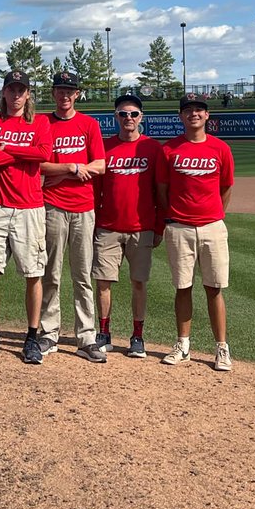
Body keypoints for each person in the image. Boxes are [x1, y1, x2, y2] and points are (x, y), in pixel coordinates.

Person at [0, 70, 53, 365]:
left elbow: (44, 153)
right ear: (3, 93)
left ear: (28, 94)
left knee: (34, 273)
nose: (16, 95)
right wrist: (23, 152)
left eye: (21, 90)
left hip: (30, 206)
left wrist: (11, 149)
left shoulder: (40, 121)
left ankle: (32, 337)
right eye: (11, 90)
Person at [157, 93, 235, 372]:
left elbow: (226, 187)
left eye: (199, 109)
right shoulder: (169, 149)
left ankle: (221, 348)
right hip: (179, 227)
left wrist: (213, 215)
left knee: (214, 289)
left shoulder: (220, 149)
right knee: (182, 287)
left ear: (207, 115)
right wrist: (174, 218)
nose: (194, 114)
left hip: (212, 226)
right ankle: (183, 344)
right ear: (181, 116)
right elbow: (163, 190)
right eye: (188, 109)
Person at [37, 71, 106, 362]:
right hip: (52, 205)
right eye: (60, 90)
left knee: (82, 275)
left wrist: (64, 168)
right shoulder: (43, 123)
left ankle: (86, 336)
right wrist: (75, 169)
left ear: (77, 94)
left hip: (83, 209)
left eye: (70, 91)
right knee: (50, 272)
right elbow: (39, 165)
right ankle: (49, 333)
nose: (65, 95)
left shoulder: (88, 124)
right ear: (53, 93)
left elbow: (100, 165)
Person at [93, 93, 164, 359]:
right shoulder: (104, 147)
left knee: (138, 282)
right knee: (103, 282)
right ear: (116, 117)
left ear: (141, 117)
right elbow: (95, 190)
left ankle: (137, 336)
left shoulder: (153, 148)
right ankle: (104, 332)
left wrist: (158, 227)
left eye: (133, 114)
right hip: (108, 226)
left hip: (141, 227)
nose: (128, 119)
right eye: (123, 114)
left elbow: (160, 192)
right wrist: (94, 224)